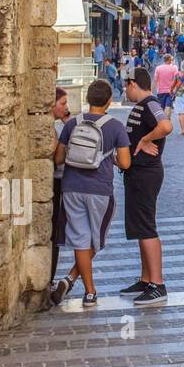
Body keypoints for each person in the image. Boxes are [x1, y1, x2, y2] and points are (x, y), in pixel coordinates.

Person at [49, 79, 132, 308]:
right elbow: (125, 163)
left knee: (80, 239)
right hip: (100, 190)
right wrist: (109, 157)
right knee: (96, 239)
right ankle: (73, 281)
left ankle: (88, 291)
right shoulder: (115, 126)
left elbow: (58, 158)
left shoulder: (72, 123)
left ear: (87, 99)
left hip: (71, 188)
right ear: (108, 101)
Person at [121, 67, 171, 305]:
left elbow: (166, 127)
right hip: (136, 173)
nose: (124, 90)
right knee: (141, 227)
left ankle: (157, 284)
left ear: (133, 84)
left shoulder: (150, 103)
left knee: (147, 226)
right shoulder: (140, 107)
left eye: (125, 85)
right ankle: (146, 278)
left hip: (146, 173)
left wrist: (144, 139)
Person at [49, 87, 71, 287]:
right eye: (63, 103)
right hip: (54, 185)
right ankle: (48, 278)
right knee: (54, 233)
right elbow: (58, 158)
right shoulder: (51, 131)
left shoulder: (55, 127)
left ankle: (49, 278)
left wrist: (66, 121)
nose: (66, 108)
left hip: (56, 183)